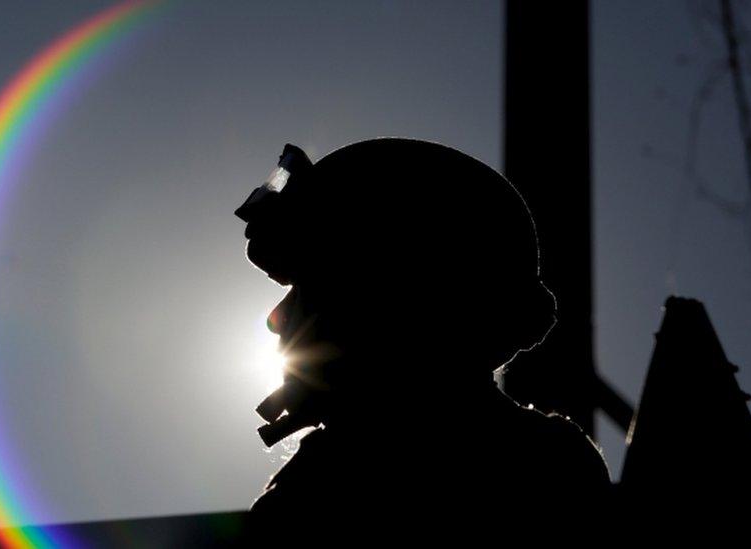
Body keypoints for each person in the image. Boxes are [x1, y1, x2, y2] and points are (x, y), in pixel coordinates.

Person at [234, 138, 610, 538]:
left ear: (400, 301)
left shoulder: (540, 468)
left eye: (310, 286)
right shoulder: (547, 460)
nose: (276, 319)